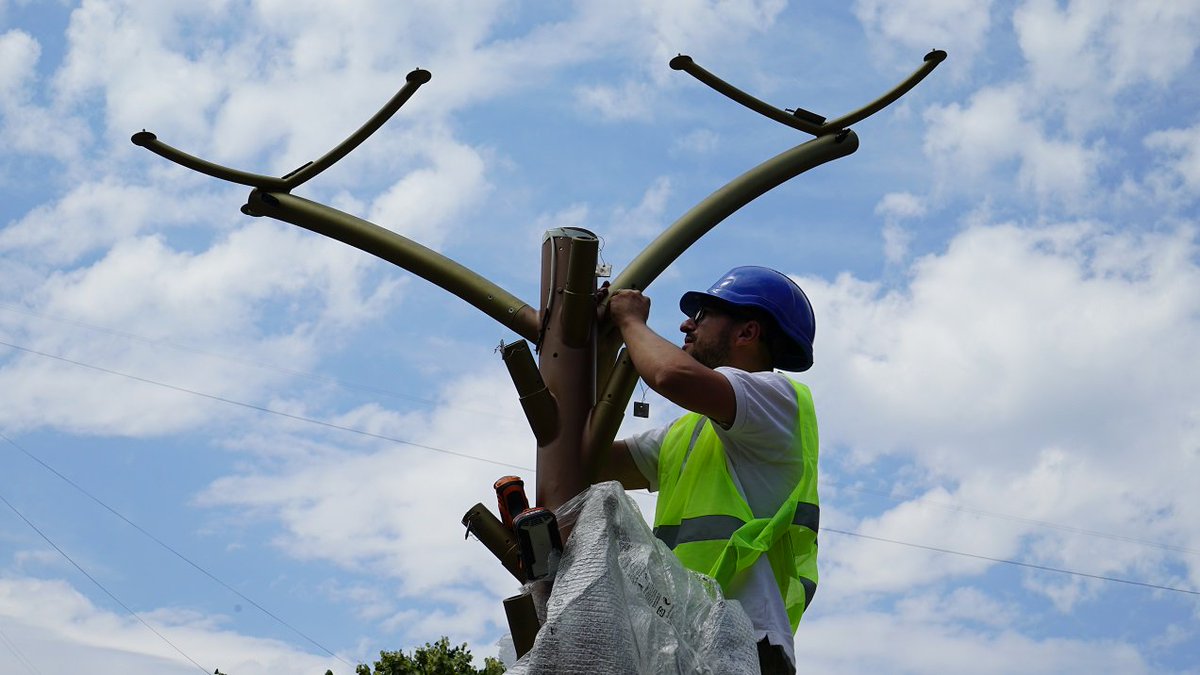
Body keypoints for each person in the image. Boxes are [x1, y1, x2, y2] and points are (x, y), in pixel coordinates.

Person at [598, 266, 820, 675]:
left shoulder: (778, 399)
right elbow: (588, 463)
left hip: (744, 641)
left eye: (701, 316)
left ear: (747, 333)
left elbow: (670, 375)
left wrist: (629, 320)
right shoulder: (686, 433)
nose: (686, 324)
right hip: (679, 639)